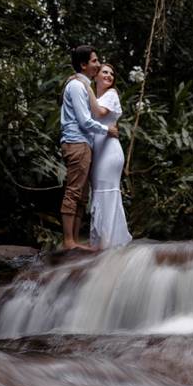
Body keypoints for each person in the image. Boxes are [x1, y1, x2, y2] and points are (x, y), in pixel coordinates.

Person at [59, 45, 118, 250]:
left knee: (82, 196)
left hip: (83, 144)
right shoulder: (76, 86)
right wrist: (106, 130)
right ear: (83, 65)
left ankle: (74, 240)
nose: (98, 64)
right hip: (76, 142)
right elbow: (84, 121)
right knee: (74, 192)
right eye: (94, 61)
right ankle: (68, 241)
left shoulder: (83, 85)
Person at [87, 64, 132, 249]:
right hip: (98, 152)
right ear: (96, 75)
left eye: (112, 73)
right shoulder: (95, 98)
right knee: (99, 193)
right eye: (105, 72)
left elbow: (100, 113)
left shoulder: (111, 94)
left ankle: (108, 243)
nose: (109, 75)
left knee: (106, 193)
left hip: (110, 152)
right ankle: (102, 241)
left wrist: (84, 86)